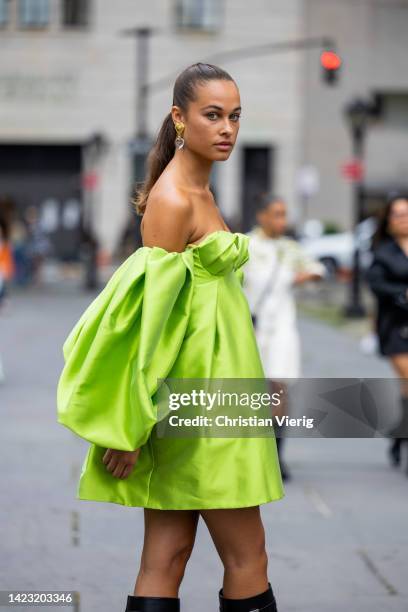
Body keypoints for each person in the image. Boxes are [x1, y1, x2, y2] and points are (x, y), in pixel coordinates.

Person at [57, 63, 285, 612]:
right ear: (180, 119)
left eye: (234, 116)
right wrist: (130, 425)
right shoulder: (176, 199)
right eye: (213, 115)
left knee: (169, 551)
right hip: (204, 403)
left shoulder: (197, 189)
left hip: (212, 393)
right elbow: (146, 323)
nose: (227, 128)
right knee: (246, 557)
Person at [243, 194, 326, 481]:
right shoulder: (246, 246)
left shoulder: (290, 249)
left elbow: (317, 269)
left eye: (284, 214)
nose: (282, 220)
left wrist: (305, 277)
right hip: (250, 327)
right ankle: (248, 454)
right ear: (261, 216)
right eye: (276, 214)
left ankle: (276, 456)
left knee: (278, 388)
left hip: (282, 328)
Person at [365, 193, 408, 473]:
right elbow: (377, 285)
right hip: (396, 328)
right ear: (389, 221)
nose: (403, 219)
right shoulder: (383, 253)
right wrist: (402, 293)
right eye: (398, 214)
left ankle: (399, 434)